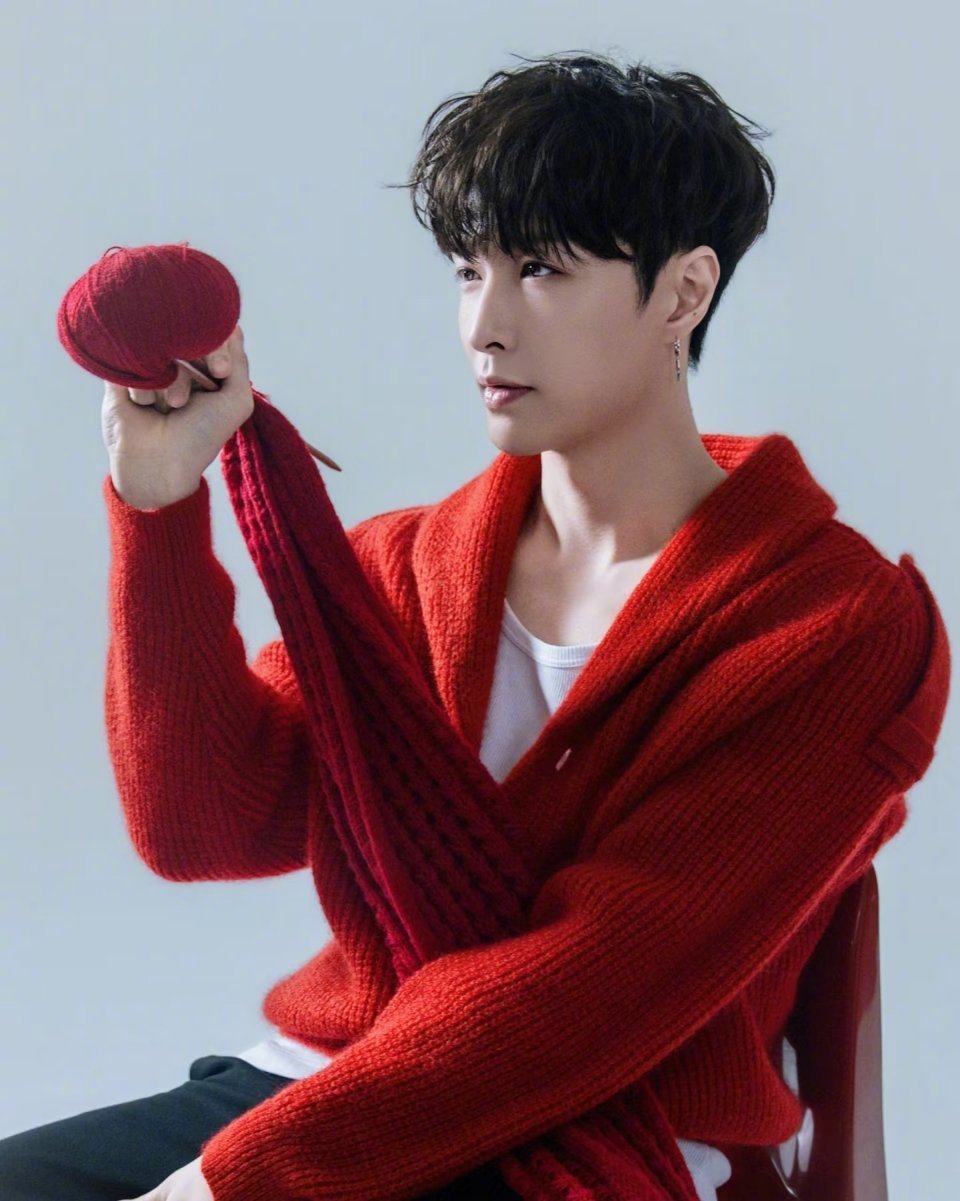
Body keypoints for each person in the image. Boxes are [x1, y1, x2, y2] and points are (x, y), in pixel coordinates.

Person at [1, 50, 949, 1201]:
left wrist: (223, 1187)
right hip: (332, 1077)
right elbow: (202, 824)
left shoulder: (834, 626)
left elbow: (585, 994)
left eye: (541, 268)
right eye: (467, 270)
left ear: (684, 292)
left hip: (593, 1126)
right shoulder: (408, 568)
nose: (485, 327)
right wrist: (158, 508)